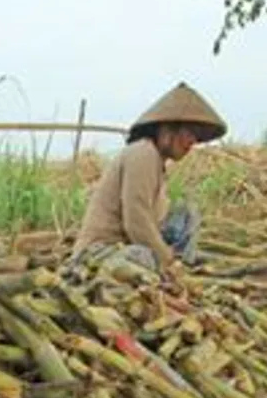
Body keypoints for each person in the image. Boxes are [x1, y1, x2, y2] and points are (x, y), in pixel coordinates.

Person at [71, 82, 227, 278]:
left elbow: (154, 221)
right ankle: (172, 272)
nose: (191, 143)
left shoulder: (156, 163)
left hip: (127, 249)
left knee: (186, 214)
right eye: (188, 133)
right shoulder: (143, 153)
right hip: (99, 255)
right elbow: (136, 221)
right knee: (144, 255)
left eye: (195, 138)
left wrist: (169, 253)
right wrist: (167, 259)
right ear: (166, 131)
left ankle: (177, 269)